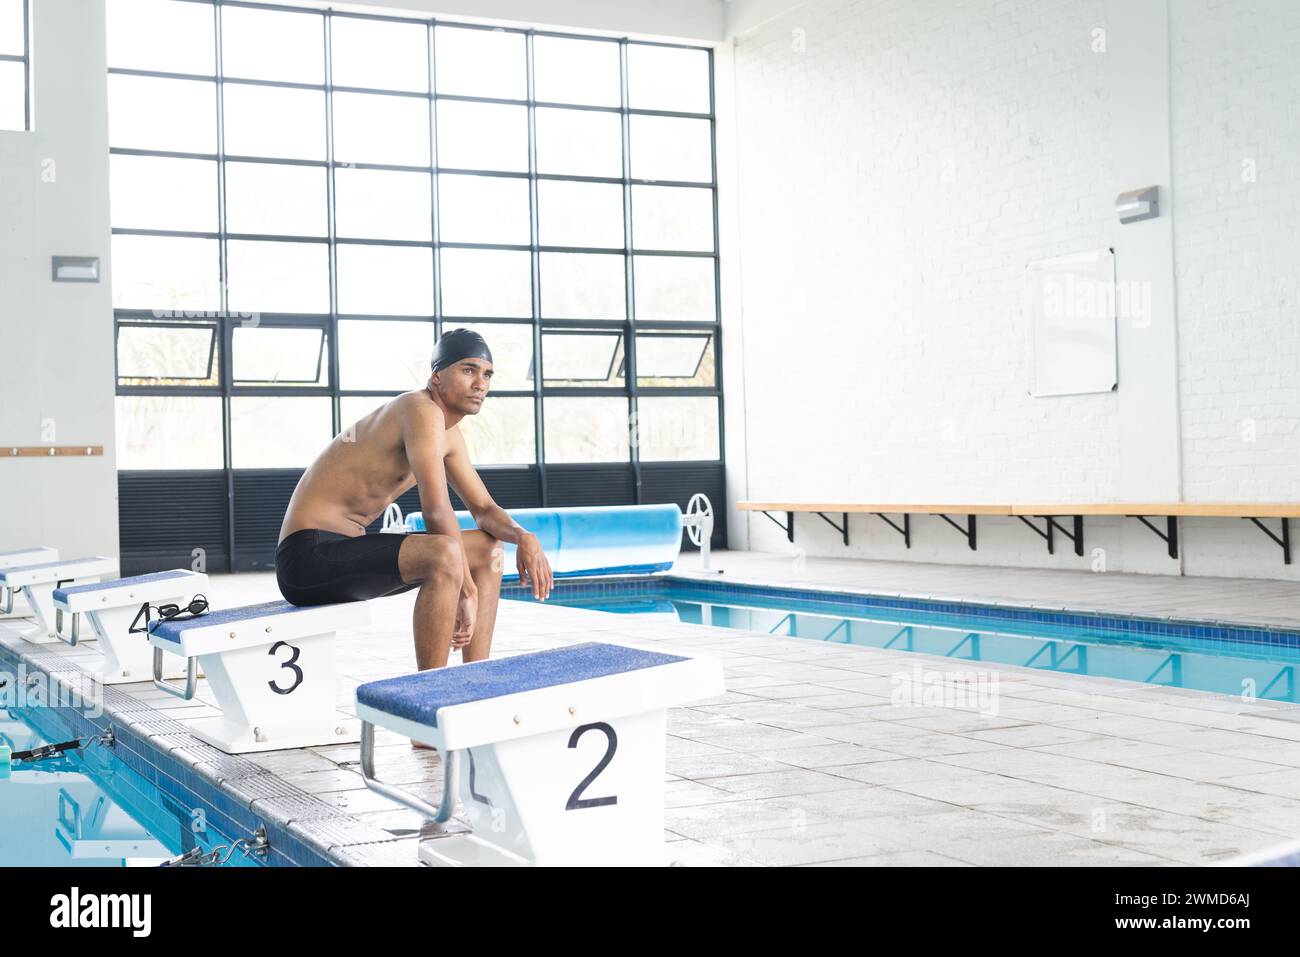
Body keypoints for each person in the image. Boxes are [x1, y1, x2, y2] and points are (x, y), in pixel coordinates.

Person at [275, 327, 553, 676]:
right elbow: (435, 509)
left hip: (348, 550)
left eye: (487, 374)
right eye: (468, 370)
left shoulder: (448, 434)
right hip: (307, 559)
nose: (480, 383)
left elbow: (483, 510)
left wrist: (523, 536)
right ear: (437, 377)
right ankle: (428, 707)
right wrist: (466, 590)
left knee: (488, 549)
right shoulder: (419, 409)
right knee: (445, 554)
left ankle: (475, 684)